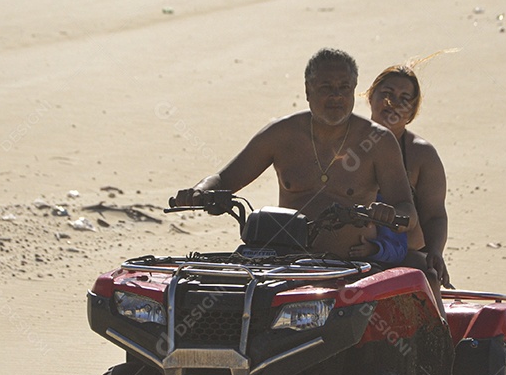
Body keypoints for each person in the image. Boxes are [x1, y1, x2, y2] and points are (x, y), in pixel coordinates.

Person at [173, 48, 416, 259]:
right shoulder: (281, 134)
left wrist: (390, 214)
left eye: (344, 87)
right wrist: (199, 192)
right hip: (285, 263)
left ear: (354, 90)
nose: (336, 96)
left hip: (351, 268)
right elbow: (224, 180)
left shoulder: (378, 142)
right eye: (326, 87)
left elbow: (408, 211)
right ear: (308, 91)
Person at [356, 62, 452, 292]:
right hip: (352, 251)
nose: (393, 103)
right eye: (387, 94)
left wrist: (436, 252)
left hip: (404, 254)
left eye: (404, 99)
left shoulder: (421, 155)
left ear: (412, 111)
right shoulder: (346, 145)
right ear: (370, 96)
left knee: (426, 275)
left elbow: (434, 215)